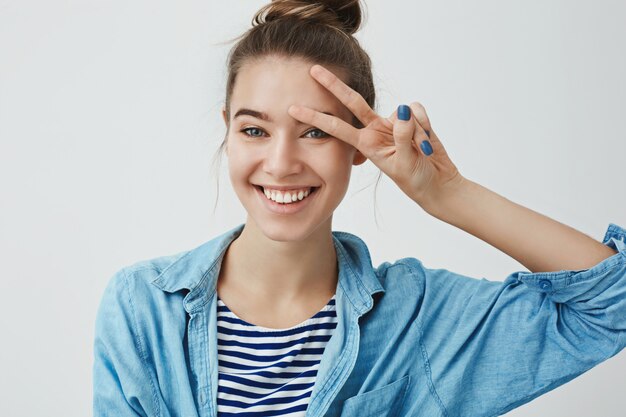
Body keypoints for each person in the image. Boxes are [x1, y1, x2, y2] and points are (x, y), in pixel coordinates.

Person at [92, 1, 626, 416]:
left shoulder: (416, 317)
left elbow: (608, 308)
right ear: (227, 128)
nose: (280, 163)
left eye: (316, 132)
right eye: (254, 129)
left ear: (357, 145)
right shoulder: (143, 306)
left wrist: (448, 195)